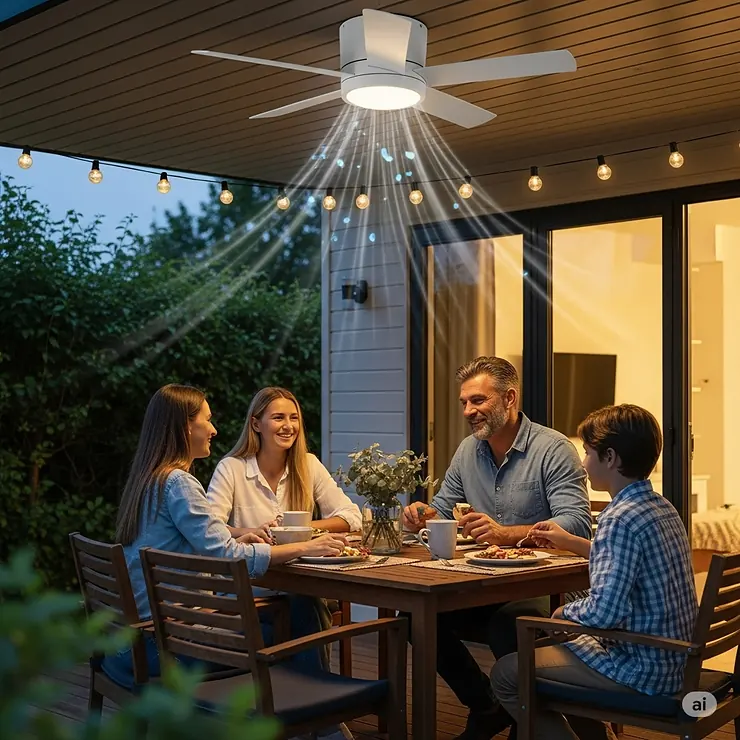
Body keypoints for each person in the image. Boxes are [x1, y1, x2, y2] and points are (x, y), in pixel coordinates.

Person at [104, 384, 347, 693]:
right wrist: (306, 546)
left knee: (296, 610)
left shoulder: (149, 480)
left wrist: (242, 535)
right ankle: (313, 714)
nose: (214, 430)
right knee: (296, 619)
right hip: (166, 648)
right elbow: (228, 555)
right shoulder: (179, 483)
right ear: (184, 427)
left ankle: (306, 714)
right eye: (207, 420)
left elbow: (212, 540)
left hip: (129, 643)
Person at [402, 357, 592, 740]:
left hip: (547, 589)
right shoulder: (467, 451)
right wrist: (423, 513)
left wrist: (507, 534)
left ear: (509, 398)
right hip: (483, 586)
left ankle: (527, 724)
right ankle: (487, 705)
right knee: (416, 618)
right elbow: (442, 507)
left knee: (511, 622)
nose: (469, 411)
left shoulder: (552, 449)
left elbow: (576, 524)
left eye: (477, 401)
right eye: (464, 403)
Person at [491, 404, 698, 740]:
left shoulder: (618, 519)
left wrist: (562, 612)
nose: (584, 465)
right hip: (675, 659)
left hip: (640, 667)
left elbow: (604, 613)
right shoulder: (660, 506)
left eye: (588, 453)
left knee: (507, 672)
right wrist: (570, 541)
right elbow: (626, 559)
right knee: (557, 640)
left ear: (611, 457)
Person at [207, 386, 361, 536]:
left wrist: (298, 527)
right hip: (255, 560)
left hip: (303, 561)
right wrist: (254, 532)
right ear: (256, 424)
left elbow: (352, 516)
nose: (288, 426)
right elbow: (210, 528)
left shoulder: (309, 464)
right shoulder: (231, 468)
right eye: (278, 418)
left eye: (294, 418)